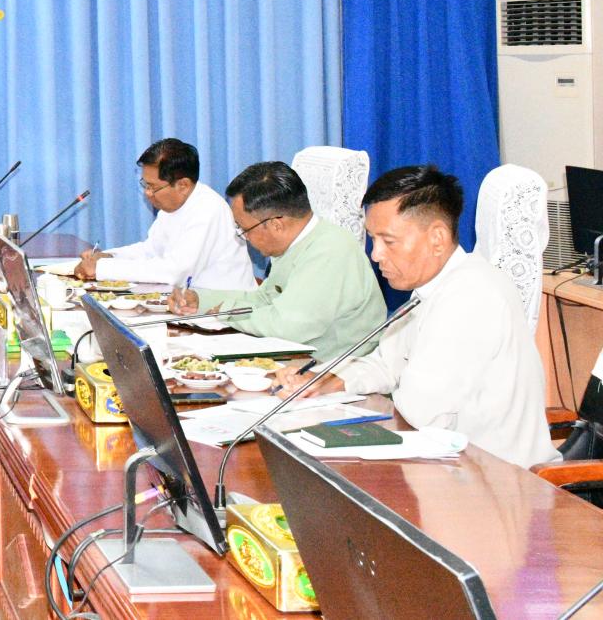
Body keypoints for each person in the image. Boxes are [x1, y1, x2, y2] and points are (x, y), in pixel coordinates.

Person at [270, 165, 557, 468]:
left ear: (437, 238)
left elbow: (421, 411)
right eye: (373, 239)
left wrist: (385, 383)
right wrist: (326, 380)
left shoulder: (471, 294)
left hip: (497, 479)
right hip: (451, 467)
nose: (375, 254)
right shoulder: (434, 285)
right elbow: (386, 363)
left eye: (388, 241)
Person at [168, 161, 386, 362]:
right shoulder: (297, 243)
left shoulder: (330, 249)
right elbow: (265, 299)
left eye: (244, 229)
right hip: (299, 360)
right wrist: (201, 300)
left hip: (333, 371)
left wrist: (225, 311)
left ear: (276, 225)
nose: (243, 237)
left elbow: (288, 325)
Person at [76, 138, 254, 290]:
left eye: (153, 187)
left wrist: (102, 269)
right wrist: (109, 256)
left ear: (183, 185)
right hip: (190, 304)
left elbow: (175, 272)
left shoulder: (208, 209)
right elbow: (151, 251)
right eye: (145, 185)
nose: (147, 193)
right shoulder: (172, 206)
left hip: (227, 311)